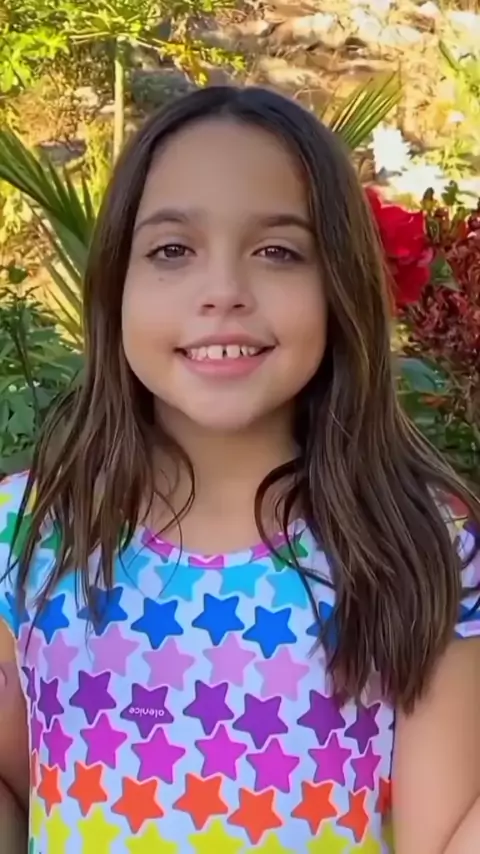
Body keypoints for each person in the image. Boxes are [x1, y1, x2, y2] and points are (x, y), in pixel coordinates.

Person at [0, 85, 479, 854]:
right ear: (116, 283)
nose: (223, 292)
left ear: (340, 285)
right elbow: (18, 799)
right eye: (172, 250)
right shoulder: (26, 532)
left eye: (278, 251)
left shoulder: (424, 543)